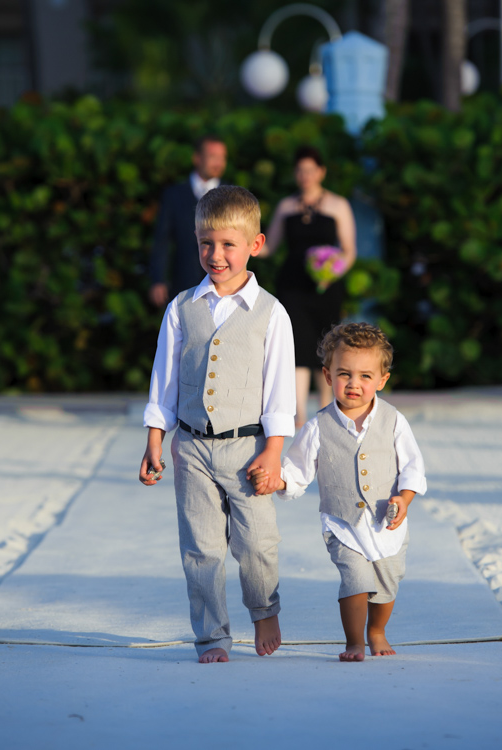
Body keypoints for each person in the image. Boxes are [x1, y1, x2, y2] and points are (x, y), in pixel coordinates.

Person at [139, 185, 296, 664]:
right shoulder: (182, 307)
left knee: (256, 543)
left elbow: (279, 391)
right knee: (201, 549)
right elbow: (164, 380)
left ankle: (264, 609)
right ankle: (212, 637)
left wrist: (273, 451)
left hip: (247, 449)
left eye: (228, 244)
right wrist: (155, 441)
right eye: (206, 243)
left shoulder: (271, 313)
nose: (216, 254)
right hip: (191, 447)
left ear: (256, 244)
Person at [252, 321, 426, 662]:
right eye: (344, 374)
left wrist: (404, 499)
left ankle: (377, 630)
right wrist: (278, 480)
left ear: (382, 379)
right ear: (328, 376)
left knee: (388, 584)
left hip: (386, 522)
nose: (354, 384)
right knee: (355, 580)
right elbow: (298, 471)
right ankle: (354, 642)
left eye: (365, 376)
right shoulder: (317, 426)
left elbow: (413, 467)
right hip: (342, 524)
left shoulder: (393, 420)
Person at [259, 145, 356, 427]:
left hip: (326, 288)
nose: (305, 176)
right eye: (300, 171)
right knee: (297, 348)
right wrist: (242, 245)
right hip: (292, 286)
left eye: (311, 170)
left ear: (321, 172)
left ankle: (325, 411)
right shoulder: (286, 206)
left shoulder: (338, 205)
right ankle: (298, 415)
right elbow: (271, 245)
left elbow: (349, 250)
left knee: (325, 347)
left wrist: (332, 270)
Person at [149, 136, 227, 307]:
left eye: (222, 157)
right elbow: (162, 240)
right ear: (197, 158)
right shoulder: (173, 195)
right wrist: (158, 279)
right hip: (183, 285)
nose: (219, 163)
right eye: (213, 156)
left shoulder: (232, 196)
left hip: (224, 288)